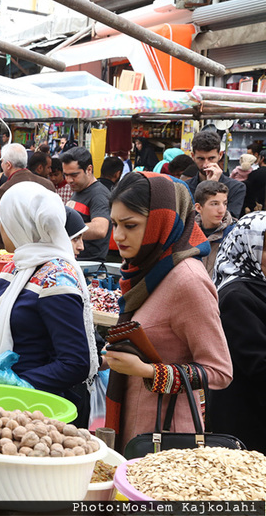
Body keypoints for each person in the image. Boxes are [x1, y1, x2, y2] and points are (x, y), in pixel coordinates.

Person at [103, 172, 233, 450]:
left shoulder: (187, 280)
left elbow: (220, 371)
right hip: (135, 424)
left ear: (160, 224)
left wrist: (148, 371)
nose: (118, 236)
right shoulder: (145, 271)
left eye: (131, 225)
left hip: (167, 436)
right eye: (115, 224)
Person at [0, 182, 98, 425]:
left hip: (39, 410)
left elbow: (75, 362)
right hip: (0, 402)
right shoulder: (14, 267)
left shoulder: (57, 278)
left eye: (3, 221)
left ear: (21, 223)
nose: (0, 228)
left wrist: (18, 383)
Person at [208, 212, 266, 453]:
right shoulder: (237, 296)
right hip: (246, 422)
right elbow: (258, 364)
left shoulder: (258, 285)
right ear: (250, 247)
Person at [0, 143, 56, 250]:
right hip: (46, 248)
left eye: (2, 162)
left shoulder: (6, 188)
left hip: (18, 249)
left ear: (8, 165)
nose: (1, 165)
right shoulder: (47, 184)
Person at [61, 147, 111, 261]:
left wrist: (63, 230)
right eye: (66, 175)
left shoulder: (99, 194)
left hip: (89, 266)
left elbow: (100, 229)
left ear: (89, 170)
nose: (69, 180)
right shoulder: (78, 190)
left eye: (74, 175)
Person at [186, 131, 246, 219]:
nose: (206, 164)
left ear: (220, 155)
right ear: (193, 156)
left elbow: (228, 221)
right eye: (201, 159)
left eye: (211, 158)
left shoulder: (236, 188)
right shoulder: (185, 187)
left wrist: (211, 187)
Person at [194, 180, 234, 275]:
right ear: (199, 208)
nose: (221, 210)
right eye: (215, 204)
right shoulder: (188, 232)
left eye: (224, 203)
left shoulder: (234, 234)